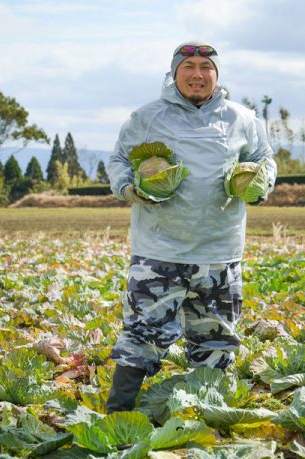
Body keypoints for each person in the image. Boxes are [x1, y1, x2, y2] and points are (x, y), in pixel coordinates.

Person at [106, 41, 277, 413]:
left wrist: (261, 185)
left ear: (216, 75)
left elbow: (263, 158)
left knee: (216, 340)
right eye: (189, 67)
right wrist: (127, 187)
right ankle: (117, 416)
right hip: (159, 251)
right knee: (142, 334)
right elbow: (119, 158)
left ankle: (207, 416)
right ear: (174, 72)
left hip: (220, 252)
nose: (197, 74)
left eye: (206, 67)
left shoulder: (241, 119)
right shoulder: (147, 117)